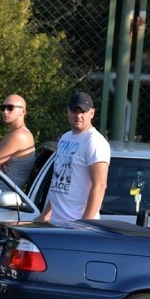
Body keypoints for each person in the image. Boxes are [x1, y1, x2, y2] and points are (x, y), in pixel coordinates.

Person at [37, 91, 110, 224]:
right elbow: (57, 183)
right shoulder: (65, 138)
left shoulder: (94, 142)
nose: (78, 116)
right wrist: (46, 214)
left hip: (77, 227)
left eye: (83, 111)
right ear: (68, 112)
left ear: (92, 113)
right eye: (74, 111)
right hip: (56, 223)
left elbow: (100, 185)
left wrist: (85, 223)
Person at [0, 94, 36, 190]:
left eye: (10, 108)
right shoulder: (14, 134)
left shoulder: (19, 135)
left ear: (23, 111)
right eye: (3, 107)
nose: (5, 111)